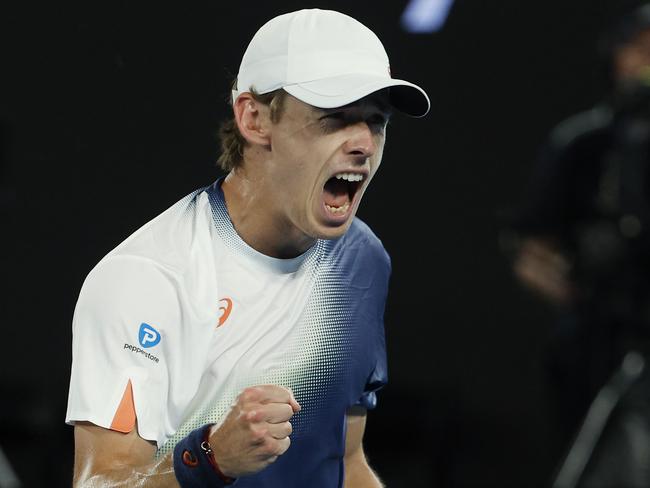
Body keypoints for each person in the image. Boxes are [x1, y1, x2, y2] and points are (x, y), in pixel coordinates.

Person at [65, 8, 429, 488]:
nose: (363, 142)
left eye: (376, 121)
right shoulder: (144, 277)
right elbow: (99, 483)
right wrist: (210, 461)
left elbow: (347, 463)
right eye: (335, 119)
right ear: (254, 119)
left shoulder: (361, 260)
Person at [507, 2, 650, 484]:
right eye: (640, 48)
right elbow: (531, 249)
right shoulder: (583, 142)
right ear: (617, 54)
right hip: (599, 350)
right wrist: (581, 301)